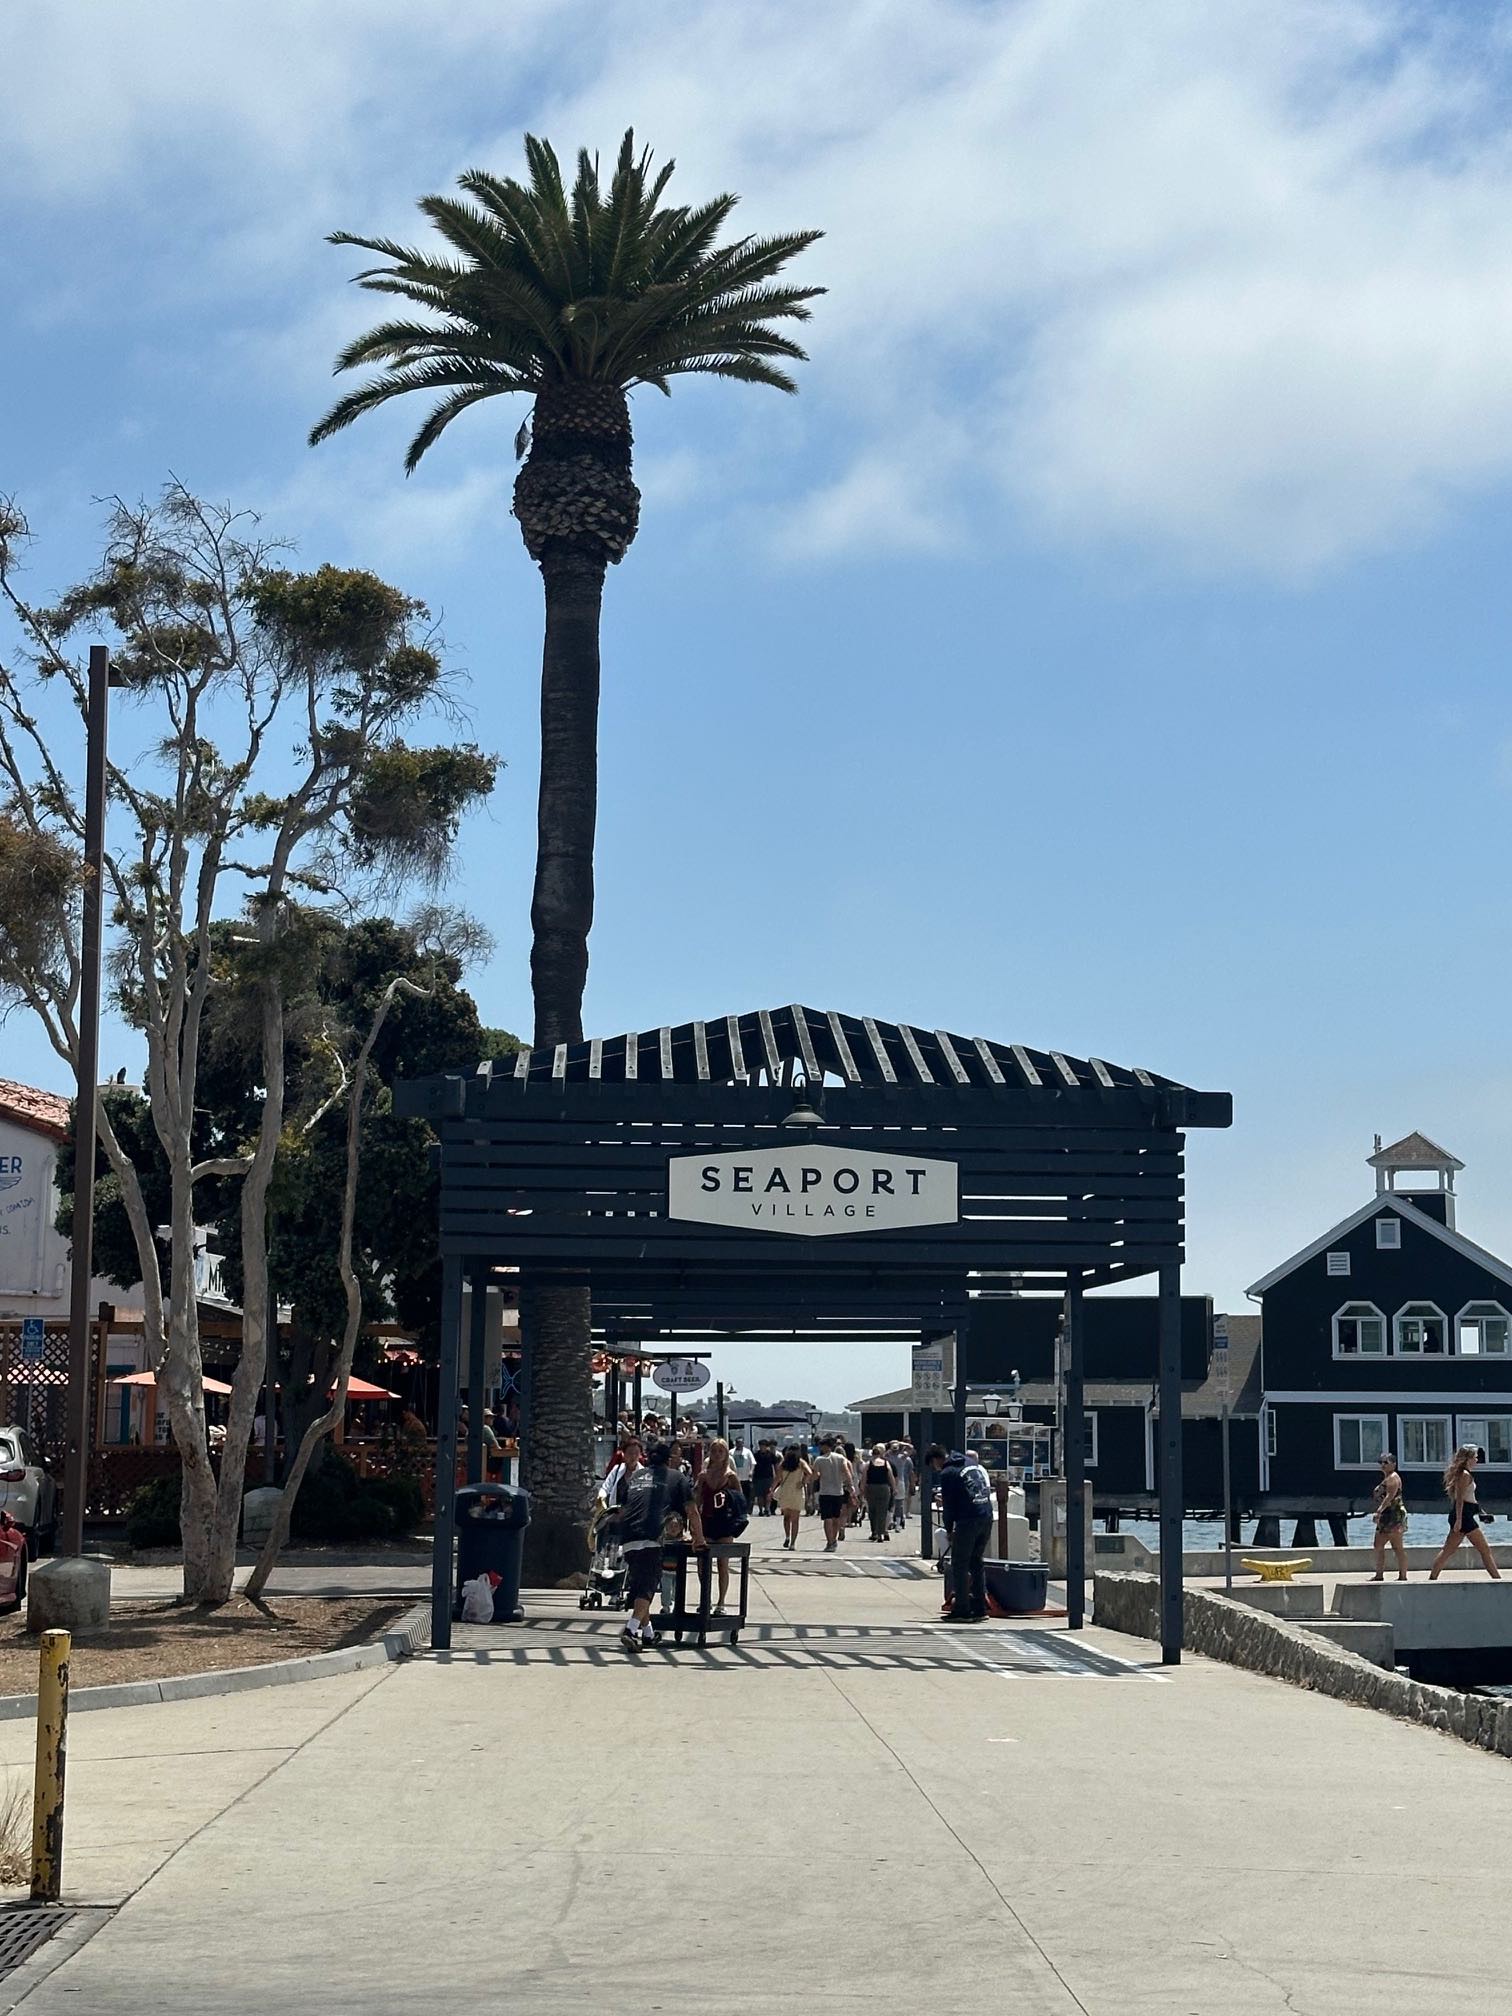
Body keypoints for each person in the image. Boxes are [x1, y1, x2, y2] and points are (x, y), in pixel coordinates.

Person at [615, 1441, 703, 1651]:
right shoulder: (677, 1478)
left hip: (628, 1537)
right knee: (647, 1587)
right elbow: (691, 1510)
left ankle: (649, 1634)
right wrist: (699, 1538)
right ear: (669, 1458)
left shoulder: (636, 1477)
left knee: (639, 1588)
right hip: (651, 1536)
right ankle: (630, 1629)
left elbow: (622, 1510)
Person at [927, 1444, 994, 1621]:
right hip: (986, 1515)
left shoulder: (948, 1473)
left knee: (959, 1563)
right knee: (976, 1561)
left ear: (936, 1460)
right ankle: (980, 1608)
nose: (936, 1468)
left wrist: (949, 1529)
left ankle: (962, 1609)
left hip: (968, 1519)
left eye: (934, 1465)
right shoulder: (969, 1462)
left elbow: (949, 1506)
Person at [1429, 1444, 1502, 1581]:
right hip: (1463, 1517)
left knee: (1448, 1550)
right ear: (1468, 1459)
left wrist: (1480, 1511)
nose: (1477, 1460)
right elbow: (1460, 1499)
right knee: (1484, 1549)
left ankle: (1432, 1577)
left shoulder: (1464, 1474)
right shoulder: (1465, 1475)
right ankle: (1498, 1580)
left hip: (1466, 1515)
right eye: (1475, 1457)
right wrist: (1459, 1520)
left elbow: (1470, 1498)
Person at [695, 1437, 747, 1612]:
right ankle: (705, 1599)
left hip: (724, 1523)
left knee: (722, 1563)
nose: (717, 1455)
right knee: (703, 1563)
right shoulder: (703, 1475)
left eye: (720, 1451)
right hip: (707, 1521)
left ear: (725, 1454)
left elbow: (740, 1501)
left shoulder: (731, 1476)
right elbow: (697, 1499)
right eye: (714, 1451)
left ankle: (721, 1602)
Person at [1370, 1451, 1409, 1581]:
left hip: (1393, 1515)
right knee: (1379, 1544)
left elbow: (1389, 1497)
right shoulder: (1388, 1477)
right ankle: (1380, 1574)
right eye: (1380, 1462)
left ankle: (1402, 1575)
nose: (1382, 1465)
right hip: (1387, 1515)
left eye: (1386, 1462)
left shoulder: (1393, 1478)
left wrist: (1379, 1511)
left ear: (1394, 1464)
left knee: (1396, 1546)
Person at [814, 1437, 854, 1553]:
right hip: (838, 1492)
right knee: (836, 1517)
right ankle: (834, 1540)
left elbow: (815, 1475)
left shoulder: (819, 1460)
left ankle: (830, 1541)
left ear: (825, 1446)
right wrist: (850, 1486)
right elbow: (847, 1473)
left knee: (827, 1518)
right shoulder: (841, 1458)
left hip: (825, 1492)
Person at [775, 1445, 812, 1550]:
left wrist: (771, 1490)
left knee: (786, 1517)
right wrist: (803, 1482)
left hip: (786, 1491)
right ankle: (792, 1543)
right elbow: (809, 1472)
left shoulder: (784, 1463)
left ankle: (787, 1537)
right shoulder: (801, 1462)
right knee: (795, 1519)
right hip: (797, 1491)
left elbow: (777, 1478)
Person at [863, 1444, 895, 1541]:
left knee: (872, 1511)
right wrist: (894, 1488)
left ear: (872, 1454)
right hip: (884, 1488)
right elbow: (891, 1476)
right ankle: (881, 1533)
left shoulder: (868, 1464)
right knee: (883, 1511)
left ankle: (874, 1532)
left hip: (871, 1488)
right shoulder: (886, 1463)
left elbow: (864, 1477)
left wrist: (862, 1489)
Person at [888, 1440, 914, 1531]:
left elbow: (880, 1450)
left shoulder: (888, 1457)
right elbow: (911, 1448)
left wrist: (889, 1443)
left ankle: (890, 1521)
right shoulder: (902, 1457)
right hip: (900, 1481)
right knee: (899, 1503)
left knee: (891, 1503)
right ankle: (897, 1524)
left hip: (891, 1481)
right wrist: (901, 1443)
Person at [751, 1438, 778, 1516]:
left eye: (764, 1446)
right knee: (759, 1495)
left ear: (767, 1447)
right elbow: (753, 1465)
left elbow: (776, 1465)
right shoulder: (756, 1455)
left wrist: (777, 1476)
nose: (762, 1447)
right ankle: (760, 1510)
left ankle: (767, 1509)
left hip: (768, 1477)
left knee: (768, 1494)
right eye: (761, 1446)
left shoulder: (771, 1455)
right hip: (758, 1477)